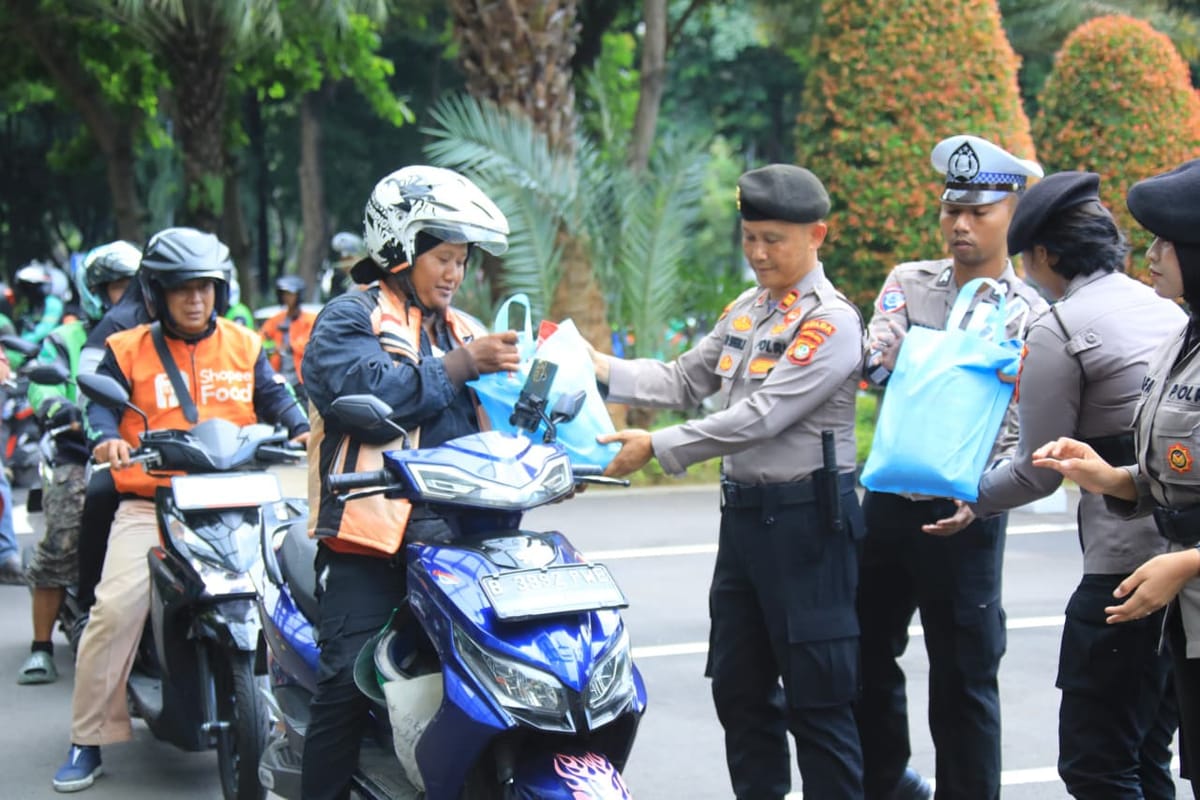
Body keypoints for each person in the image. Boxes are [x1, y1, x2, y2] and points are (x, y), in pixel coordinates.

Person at [593, 164, 866, 799]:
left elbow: (763, 415)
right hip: (744, 523)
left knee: (818, 701)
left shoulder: (830, 323)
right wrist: (599, 367)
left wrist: (657, 446)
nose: (758, 253)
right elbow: (683, 379)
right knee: (740, 688)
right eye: (749, 238)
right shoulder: (748, 309)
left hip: (807, 525)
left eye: (774, 240)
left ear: (816, 235)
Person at [50, 227, 309, 793]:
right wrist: (106, 439)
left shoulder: (245, 344)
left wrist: (299, 427)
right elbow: (99, 410)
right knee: (113, 610)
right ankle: (87, 737)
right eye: (182, 289)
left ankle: (308, 721)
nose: (195, 299)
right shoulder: (127, 348)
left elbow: (276, 397)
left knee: (300, 592)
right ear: (157, 292)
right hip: (154, 502)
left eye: (205, 288)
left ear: (220, 290)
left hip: (239, 498)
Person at [300, 165, 516, 800]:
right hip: (372, 545)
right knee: (344, 683)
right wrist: (459, 366)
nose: (455, 274)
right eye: (443, 258)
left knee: (500, 678)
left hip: (463, 539)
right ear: (399, 248)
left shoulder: (464, 329)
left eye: (462, 261)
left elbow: (497, 424)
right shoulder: (350, 318)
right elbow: (366, 390)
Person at [964, 172, 1181, 798]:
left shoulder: (1058, 329)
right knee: (1147, 754)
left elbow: (1038, 469)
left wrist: (967, 496)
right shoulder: (1167, 311)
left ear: (1044, 255)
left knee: (1096, 763)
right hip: (1182, 564)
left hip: (1124, 567)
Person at [857, 134, 1048, 800]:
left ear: (1013, 217)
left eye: (979, 212)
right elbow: (875, 362)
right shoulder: (908, 283)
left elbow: (1022, 419)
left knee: (964, 677)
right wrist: (883, 353)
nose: (961, 225)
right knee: (863, 656)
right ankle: (886, 784)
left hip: (968, 510)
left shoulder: (1031, 314)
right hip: (889, 502)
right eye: (951, 210)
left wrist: (984, 495)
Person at [1034, 158, 1200, 798]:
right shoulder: (1182, 338)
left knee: (1104, 764)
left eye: (1166, 242)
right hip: (1182, 611)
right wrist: (1109, 477)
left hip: (1180, 581)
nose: (1149, 255)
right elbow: (1175, 476)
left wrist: (1186, 564)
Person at [17, 241, 140, 686]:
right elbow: (41, 386)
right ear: (95, 291)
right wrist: (60, 409)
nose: (129, 297)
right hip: (78, 450)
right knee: (66, 533)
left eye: (135, 286)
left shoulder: (153, 337)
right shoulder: (64, 338)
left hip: (143, 451)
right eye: (119, 288)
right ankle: (41, 646)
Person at [260, 274, 317, 402]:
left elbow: (310, 343)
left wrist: (288, 347)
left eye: (290, 294)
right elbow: (261, 339)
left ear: (299, 295)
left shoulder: (310, 320)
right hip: (279, 378)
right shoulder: (276, 320)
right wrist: (271, 347)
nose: (287, 298)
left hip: (301, 380)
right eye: (284, 294)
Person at [13, 260, 66, 353]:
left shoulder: (53, 303)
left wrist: (21, 343)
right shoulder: (32, 306)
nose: (27, 292)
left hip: (52, 351)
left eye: (28, 287)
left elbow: (45, 329)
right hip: (33, 350)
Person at [323, 230, 365, 299]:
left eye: (348, 258)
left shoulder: (363, 284)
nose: (343, 263)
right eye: (342, 259)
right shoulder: (340, 281)